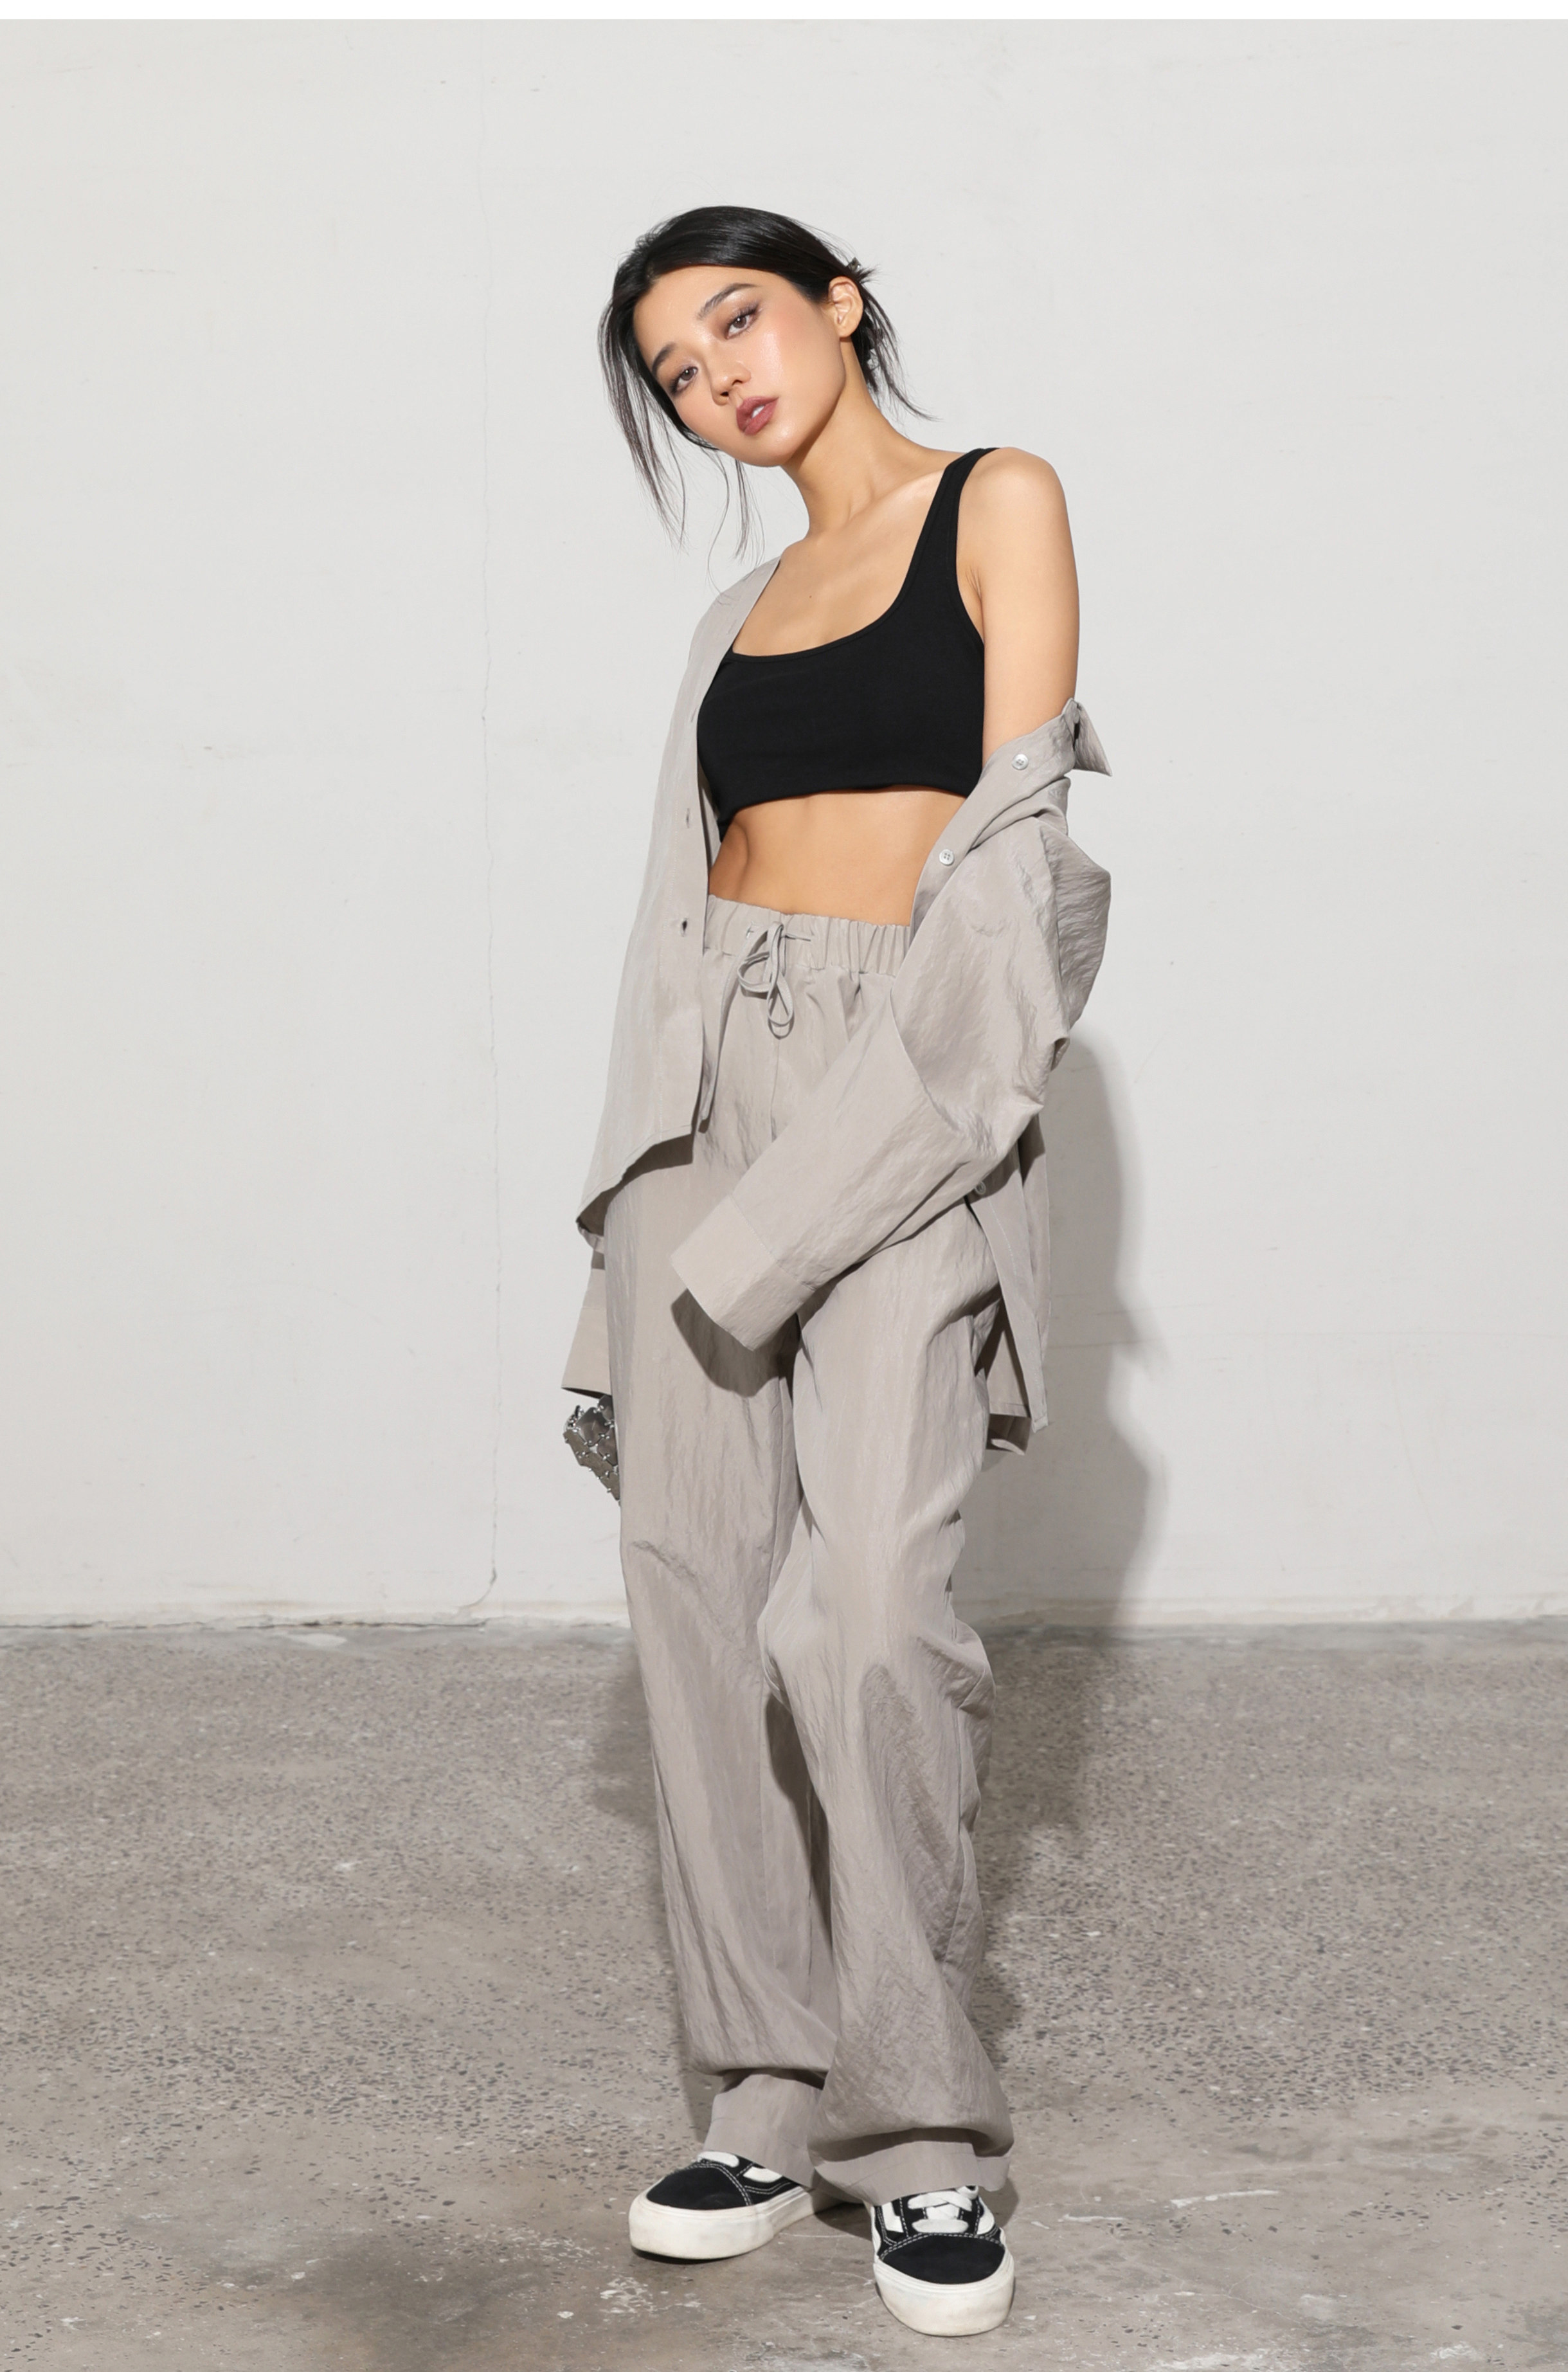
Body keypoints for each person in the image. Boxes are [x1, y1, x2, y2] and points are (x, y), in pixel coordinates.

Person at [562, 203, 1112, 2339]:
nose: (723, 377)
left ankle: (916, 2127)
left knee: (866, 1608)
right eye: (680, 371)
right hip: (704, 1098)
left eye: (741, 320)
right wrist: (627, 1261)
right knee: (695, 1598)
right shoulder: (734, 616)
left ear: (839, 302)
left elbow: (1018, 879)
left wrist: (801, 1214)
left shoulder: (999, 503)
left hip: (908, 1076)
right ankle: (764, 2087)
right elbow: (666, 934)